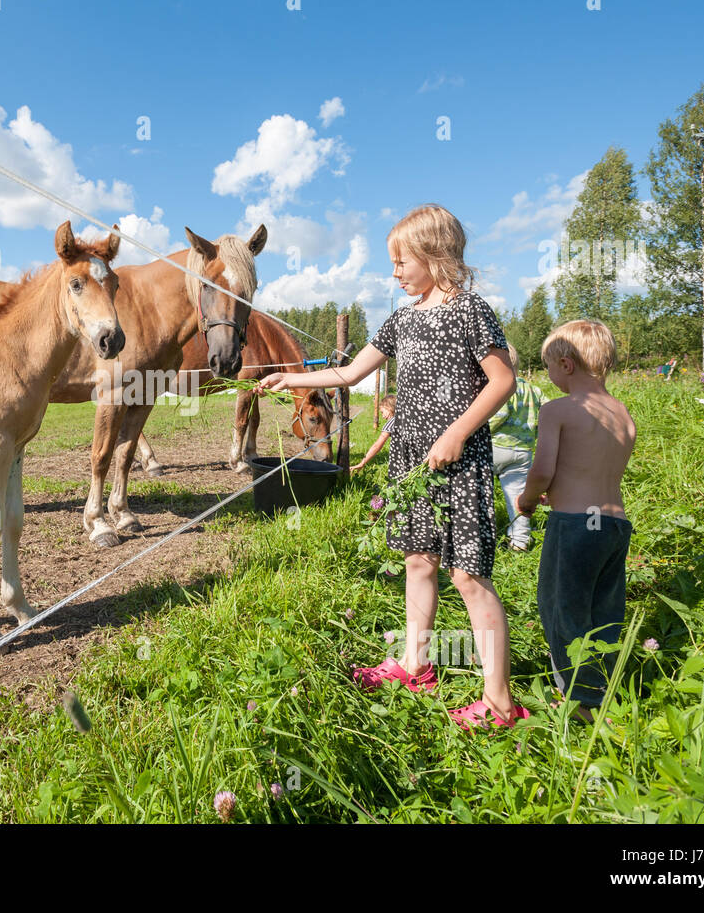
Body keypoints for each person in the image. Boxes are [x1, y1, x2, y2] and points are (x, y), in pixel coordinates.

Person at [257, 204, 525, 729]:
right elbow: (351, 371)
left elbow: (502, 380)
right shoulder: (402, 319)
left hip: (458, 459)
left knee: (469, 575)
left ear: (434, 254)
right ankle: (415, 663)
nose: (395, 272)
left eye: (401, 261)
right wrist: (293, 381)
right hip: (409, 460)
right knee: (417, 561)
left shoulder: (472, 312)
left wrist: (457, 433)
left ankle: (500, 702)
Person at [515, 320, 636, 722]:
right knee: (604, 610)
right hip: (613, 525)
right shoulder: (622, 414)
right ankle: (601, 685)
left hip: (575, 526)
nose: (548, 376)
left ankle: (578, 700)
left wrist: (529, 501)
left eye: (548, 366)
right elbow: (593, 469)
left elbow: (543, 469)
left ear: (565, 365)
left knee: (561, 608)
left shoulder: (558, 410)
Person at [490, 343, 543, 551]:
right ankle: (520, 541)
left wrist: (474, 430)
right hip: (523, 451)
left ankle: (483, 535)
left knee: (480, 491)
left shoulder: (501, 385)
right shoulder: (534, 390)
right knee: (517, 496)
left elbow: (498, 415)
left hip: (495, 447)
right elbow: (545, 414)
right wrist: (534, 435)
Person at [351, 395, 396, 472]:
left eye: (382, 412)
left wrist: (362, 463)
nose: (383, 416)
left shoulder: (390, 423)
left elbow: (377, 445)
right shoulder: (404, 419)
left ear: (388, 407)